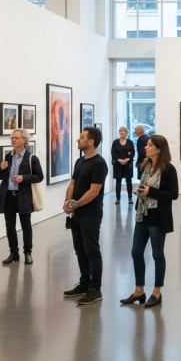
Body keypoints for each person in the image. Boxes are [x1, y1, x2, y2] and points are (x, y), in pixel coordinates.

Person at [122, 134, 179, 308]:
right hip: (142, 215)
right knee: (136, 252)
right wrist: (141, 191)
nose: (146, 147)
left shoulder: (169, 169)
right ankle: (139, 290)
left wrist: (150, 192)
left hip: (158, 217)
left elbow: (173, 194)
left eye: (149, 145)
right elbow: (145, 187)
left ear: (159, 149)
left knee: (157, 254)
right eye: (146, 145)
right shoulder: (146, 165)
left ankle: (157, 292)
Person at [62, 127, 109, 306]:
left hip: (91, 213)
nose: (77, 140)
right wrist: (68, 200)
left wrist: (74, 204)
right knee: (80, 250)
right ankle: (84, 284)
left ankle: (95, 289)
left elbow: (94, 191)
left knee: (92, 251)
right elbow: (72, 183)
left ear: (91, 141)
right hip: (77, 213)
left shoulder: (99, 163)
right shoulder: (80, 161)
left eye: (81, 137)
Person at [0, 129, 43, 265]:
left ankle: (28, 253)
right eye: (11, 138)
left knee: (26, 226)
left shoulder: (31, 158)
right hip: (8, 196)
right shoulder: (8, 157)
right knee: (9, 227)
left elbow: (39, 177)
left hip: (24, 197)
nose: (13, 140)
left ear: (24, 140)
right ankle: (13, 253)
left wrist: (24, 178)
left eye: (16, 138)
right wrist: (1, 169)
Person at [111, 126, 135, 205]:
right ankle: (118, 198)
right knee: (118, 181)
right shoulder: (115, 142)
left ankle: (130, 198)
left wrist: (127, 159)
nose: (122, 132)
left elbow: (133, 152)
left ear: (126, 133)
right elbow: (113, 153)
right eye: (121, 131)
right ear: (119, 132)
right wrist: (119, 160)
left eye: (124, 131)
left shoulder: (130, 142)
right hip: (118, 164)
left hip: (128, 164)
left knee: (129, 181)